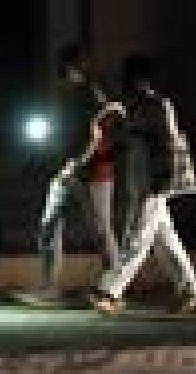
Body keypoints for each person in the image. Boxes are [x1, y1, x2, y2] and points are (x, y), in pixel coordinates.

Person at [88, 52, 196, 315]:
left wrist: (162, 179)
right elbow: (122, 136)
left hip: (152, 181)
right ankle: (190, 291)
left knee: (137, 239)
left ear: (139, 79)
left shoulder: (158, 105)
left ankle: (110, 290)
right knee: (165, 239)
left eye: (129, 78)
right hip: (140, 181)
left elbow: (168, 142)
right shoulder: (134, 105)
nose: (126, 83)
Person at [13, 43, 123, 307]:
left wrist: (74, 164)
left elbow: (95, 135)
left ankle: (114, 287)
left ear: (75, 67)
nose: (62, 72)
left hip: (93, 173)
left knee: (100, 230)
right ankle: (49, 287)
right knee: (50, 224)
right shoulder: (74, 94)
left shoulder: (93, 94)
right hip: (69, 170)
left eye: (65, 67)